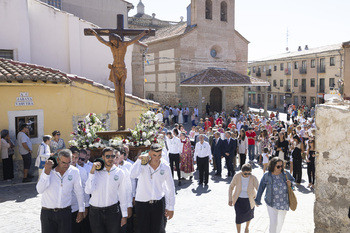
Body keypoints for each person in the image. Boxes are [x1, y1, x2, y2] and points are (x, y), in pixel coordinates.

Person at [89, 28, 149, 116]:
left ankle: (122, 105)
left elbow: (134, 39)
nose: (112, 43)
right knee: (116, 86)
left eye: (113, 41)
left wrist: (143, 33)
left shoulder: (124, 44)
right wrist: (95, 33)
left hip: (122, 69)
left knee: (121, 86)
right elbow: (102, 40)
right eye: (111, 42)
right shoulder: (111, 46)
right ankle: (119, 106)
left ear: (117, 40)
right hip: (114, 69)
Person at [130, 144, 176, 233]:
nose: (157, 158)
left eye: (159, 155)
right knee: (143, 230)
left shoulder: (165, 166)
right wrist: (139, 161)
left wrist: (171, 207)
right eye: (154, 155)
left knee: (158, 230)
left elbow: (170, 187)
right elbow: (132, 174)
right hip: (142, 204)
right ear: (150, 154)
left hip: (158, 203)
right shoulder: (142, 164)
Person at [36, 149, 85, 233]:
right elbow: (39, 190)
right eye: (63, 162)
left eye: (69, 162)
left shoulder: (74, 171)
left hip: (65, 213)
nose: (66, 165)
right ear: (58, 160)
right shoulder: (48, 170)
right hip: (47, 213)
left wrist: (81, 210)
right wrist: (46, 173)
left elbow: (79, 192)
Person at [85, 147, 128, 233]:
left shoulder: (120, 172)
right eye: (107, 156)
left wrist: (124, 215)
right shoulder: (95, 172)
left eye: (112, 156)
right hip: (96, 212)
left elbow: (123, 194)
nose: (110, 159)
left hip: (112, 211)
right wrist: (92, 173)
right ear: (103, 157)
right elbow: (88, 191)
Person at [255, 157, 295, 233]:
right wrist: (257, 200)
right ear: (273, 166)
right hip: (271, 203)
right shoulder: (267, 176)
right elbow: (261, 188)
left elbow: (293, 181)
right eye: (278, 166)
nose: (280, 168)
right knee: (274, 223)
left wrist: (291, 184)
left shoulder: (285, 174)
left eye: (282, 166)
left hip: (284, 203)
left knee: (280, 223)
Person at [228, 164, 259, 233]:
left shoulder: (253, 178)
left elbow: (258, 189)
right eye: (245, 173)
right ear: (242, 171)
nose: (247, 175)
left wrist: (258, 200)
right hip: (238, 200)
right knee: (238, 217)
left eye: (249, 173)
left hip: (250, 200)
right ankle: (238, 232)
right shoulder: (237, 176)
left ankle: (246, 228)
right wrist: (230, 199)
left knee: (249, 216)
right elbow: (231, 187)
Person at [70, 147, 91, 233]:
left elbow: (85, 190)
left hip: (77, 206)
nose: (74, 160)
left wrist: (86, 207)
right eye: (72, 157)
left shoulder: (82, 171)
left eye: (76, 157)